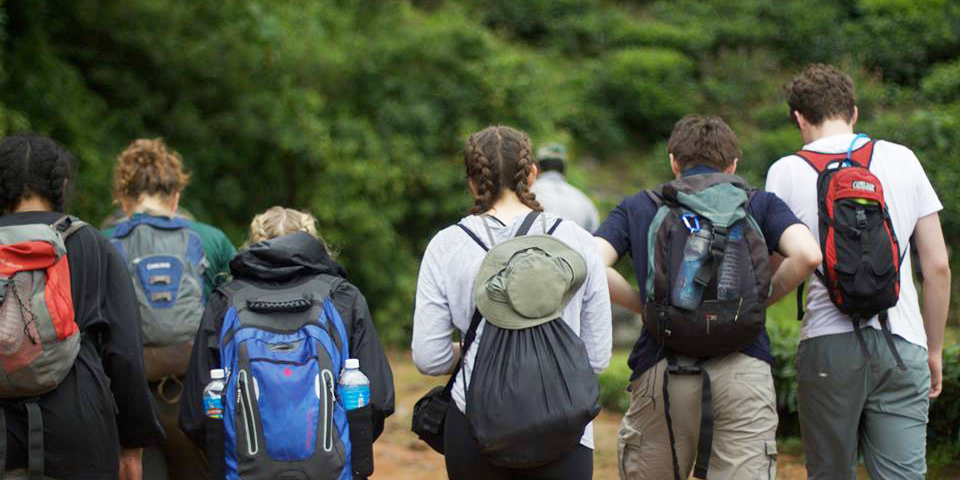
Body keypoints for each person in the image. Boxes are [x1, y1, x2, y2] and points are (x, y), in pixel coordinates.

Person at [595, 115, 821, 480]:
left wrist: (646, 305)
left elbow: (592, 262)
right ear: (733, 164)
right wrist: (759, 301)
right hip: (743, 364)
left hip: (662, 368)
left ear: (673, 161)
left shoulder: (641, 205)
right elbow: (808, 255)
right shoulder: (760, 204)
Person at [766, 64, 951, 479]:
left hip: (828, 344)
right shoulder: (902, 159)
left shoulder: (785, 171)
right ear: (854, 111)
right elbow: (937, 266)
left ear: (799, 118)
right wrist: (933, 349)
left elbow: (775, 271)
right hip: (903, 343)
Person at [412, 125, 612, 480]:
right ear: (531, 175)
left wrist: (473, 351)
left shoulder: (446, 246)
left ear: (473, 182)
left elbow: (430, 358)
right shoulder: (579, 243)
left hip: (475, 425)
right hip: (566, 428)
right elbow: (596, 358)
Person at [179, 206, 395, 478]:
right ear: (313, 240)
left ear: (254, 242)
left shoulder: (224, 301)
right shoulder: (342, 297)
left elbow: (195, 415)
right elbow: (378, 399)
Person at [0, 133, 164, 480]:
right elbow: (125, 356)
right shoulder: (90, 244)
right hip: (79, 430)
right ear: (61, 183)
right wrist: (132, 445)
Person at [101, 138, 236, 480]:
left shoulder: (101, 241)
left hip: (128, 402)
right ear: (176, 196)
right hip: (198, 395)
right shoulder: (211, 239)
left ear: (123, 198)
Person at [529, 143, 600, 232]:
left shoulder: (527, 194)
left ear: (536, 169)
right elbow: (594, 240)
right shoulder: (584, 201)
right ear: (564, 170)